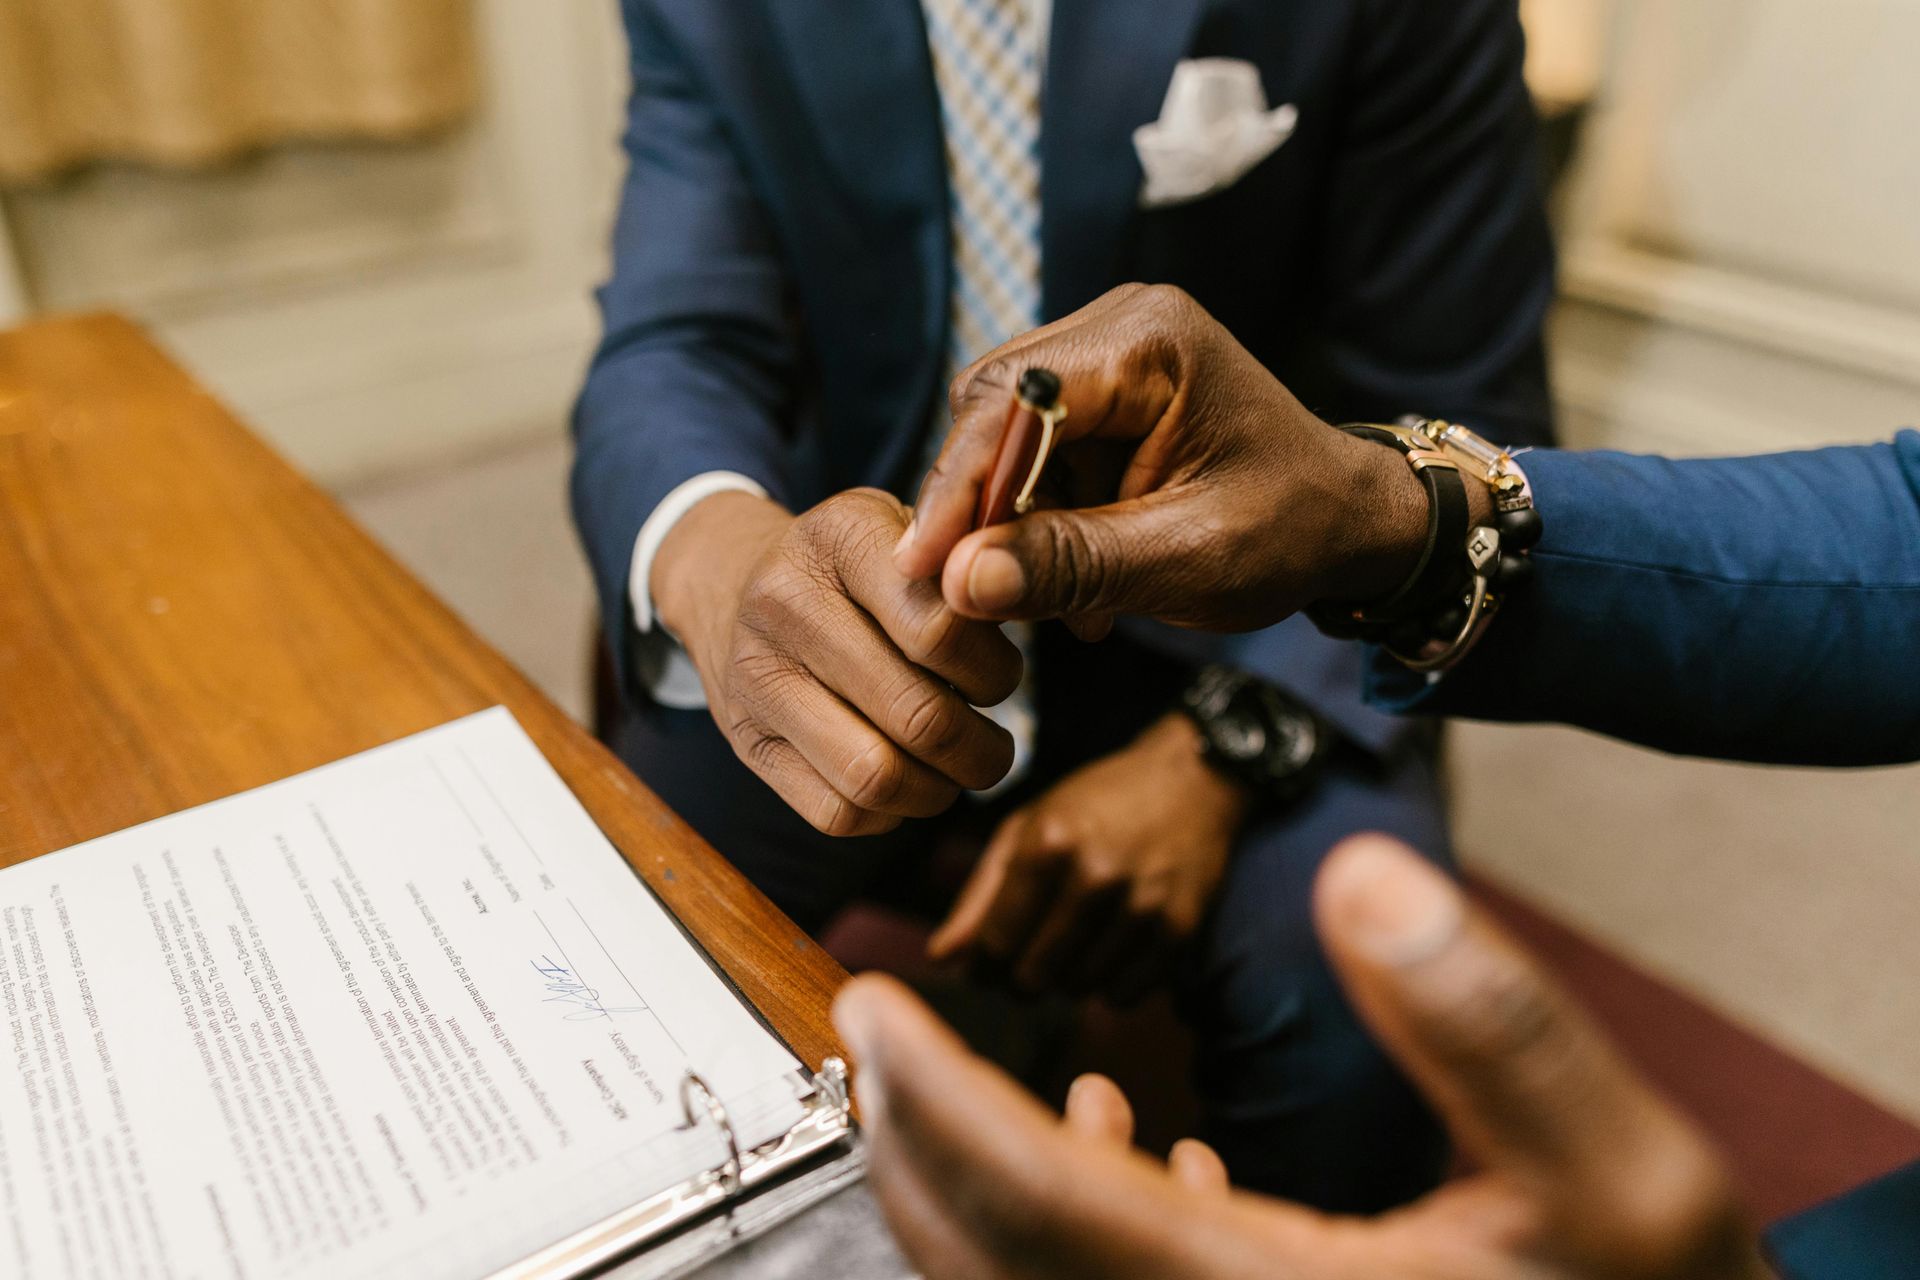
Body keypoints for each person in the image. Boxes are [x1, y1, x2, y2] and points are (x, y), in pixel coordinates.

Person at [572, 0, 1556, 1209]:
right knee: (595, 988)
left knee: (1370, 1020)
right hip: (844, 598)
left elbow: (1463, 413)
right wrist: (731, 575)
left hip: (1248, 632)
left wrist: (1219, 749)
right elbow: (673, 346)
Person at [833, 281, 1920, 1279]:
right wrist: (1390, 517)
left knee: (1337, 946)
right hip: (906, 610)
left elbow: (1466, 371)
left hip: (1238, 667)